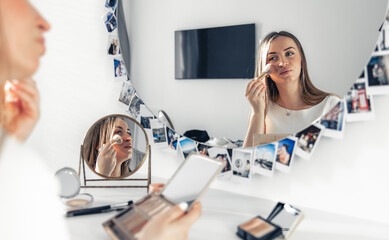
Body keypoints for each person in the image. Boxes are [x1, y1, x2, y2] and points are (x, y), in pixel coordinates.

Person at [0, 0, 201, 239]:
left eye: (128, 133)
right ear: (99, 146)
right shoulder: (23, 176)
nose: (44, 22)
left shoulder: (17, 165)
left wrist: (12, 139)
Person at [244, 31, 339, 147]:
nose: (282, 63)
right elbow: (247, 160)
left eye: (289, 53)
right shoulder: (261, 110)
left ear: (302, 60)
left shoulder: (331, 105)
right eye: (273, 58)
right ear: (265, 70)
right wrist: (257, 112)